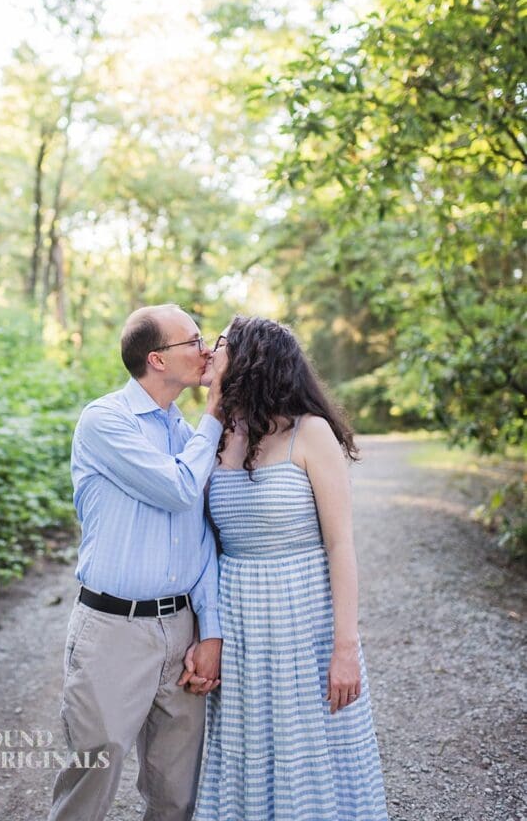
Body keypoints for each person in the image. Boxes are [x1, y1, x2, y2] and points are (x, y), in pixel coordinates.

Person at [192, 315, 390, 821]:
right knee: (247, 746)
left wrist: (345, 648)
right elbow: (201, 547)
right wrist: (207, 633)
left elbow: (341, 545)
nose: (211, 351)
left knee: (311, 749)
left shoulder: (311, 433)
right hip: (240, 627)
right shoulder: (216, 436)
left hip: (304, 621)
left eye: (221, 344)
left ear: (252, 358)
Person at [48, 303, 225, 821]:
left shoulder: (185, 434)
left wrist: (208, 631)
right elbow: (177, 488)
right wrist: (215, 410)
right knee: (91, 781)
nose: (207, 350)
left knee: (176, 793)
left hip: (181, 629)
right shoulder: (106, 421)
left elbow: (206, 538)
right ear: (157, 359)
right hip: (113, 631)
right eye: (193, 341)